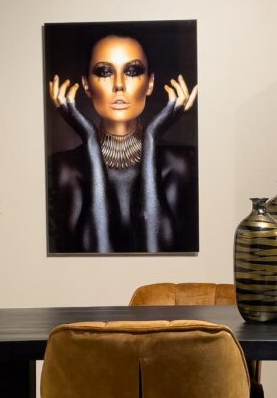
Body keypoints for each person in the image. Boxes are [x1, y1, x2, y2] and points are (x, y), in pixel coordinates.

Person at [47, 34, 198, 253]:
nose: (119, 85)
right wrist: (90, 139)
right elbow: (96, 257)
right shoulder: (64, 168)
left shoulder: (181, 163)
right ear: (86, 85)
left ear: (150, 83)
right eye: (105, 72)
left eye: (132, 71)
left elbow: (157, 255)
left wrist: (151, 137)